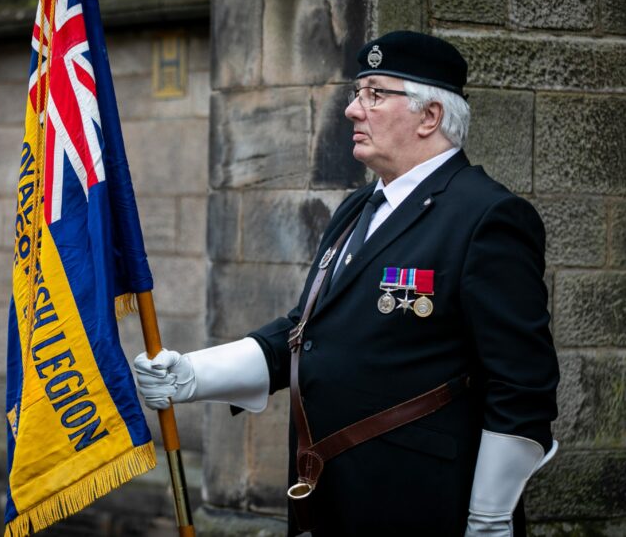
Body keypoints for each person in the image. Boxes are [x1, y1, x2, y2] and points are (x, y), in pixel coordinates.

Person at [134, 31, 559, 537]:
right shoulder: (359, 206)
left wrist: (489, 518)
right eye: (359, 93)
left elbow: (522, 385)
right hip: (329, 495)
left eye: (375, 94)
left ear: (430, 116)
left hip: (421, 506)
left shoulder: (487, 216)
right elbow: (307, 332)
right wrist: (194, 375)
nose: (353, 110)